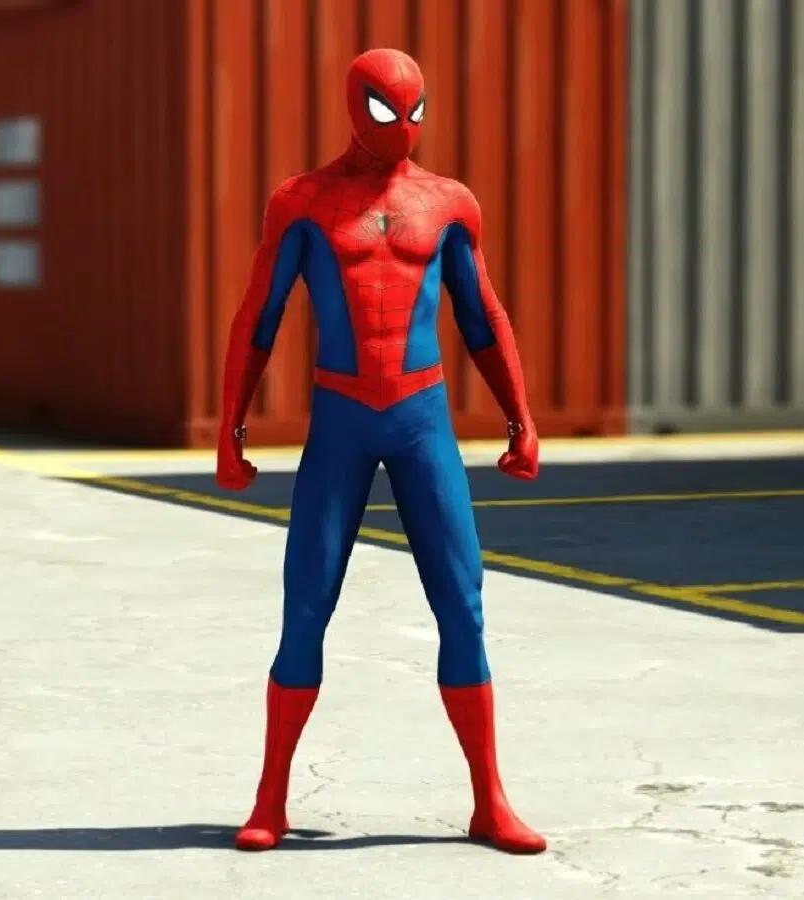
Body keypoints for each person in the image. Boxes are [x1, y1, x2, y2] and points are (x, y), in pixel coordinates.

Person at [216, 47, 545, 855]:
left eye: (414, 110)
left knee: (462, 606)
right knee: (305, 609)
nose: (401, 125)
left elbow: (482, 314)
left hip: (420, 419)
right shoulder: (303, 202)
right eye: (384, 109)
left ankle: (489, 801)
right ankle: (270, 799)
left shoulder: (448, 204)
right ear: (351, 105)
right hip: (340, 420)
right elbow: (258, 315)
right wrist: (231, 427)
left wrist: (521, 416)